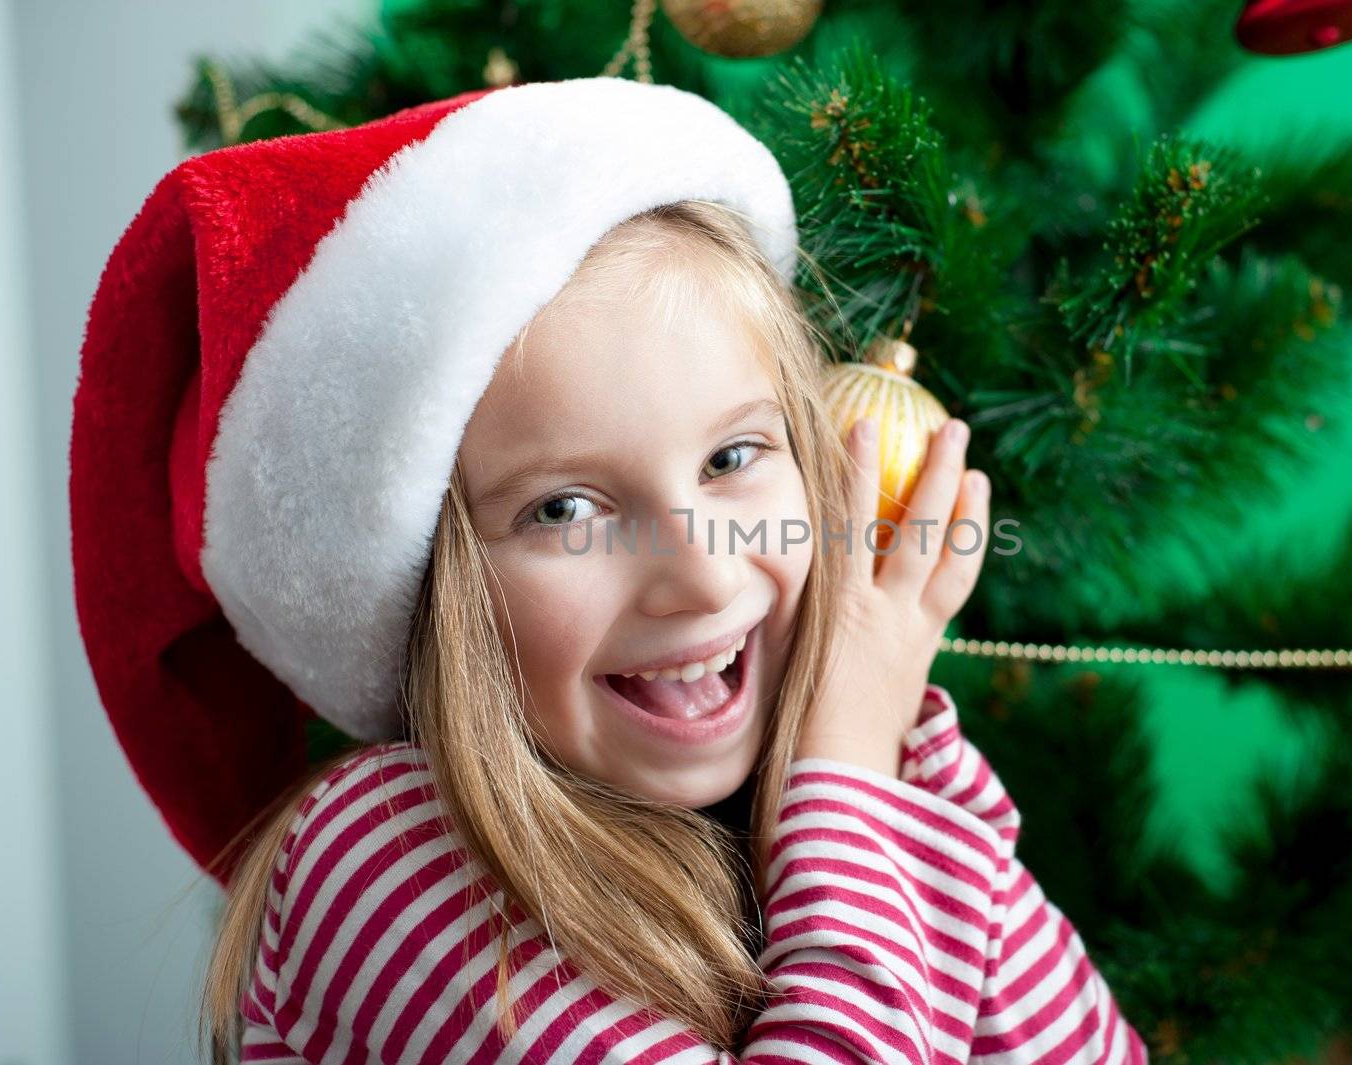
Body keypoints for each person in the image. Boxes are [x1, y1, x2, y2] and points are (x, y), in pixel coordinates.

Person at [69, 77, 1147, 1063]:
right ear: (429, 591)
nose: (698, 575)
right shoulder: (376, 857)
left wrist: (872, 754)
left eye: (733, 457)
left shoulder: (864, 756)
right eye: (566, 509)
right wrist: (851, 772)